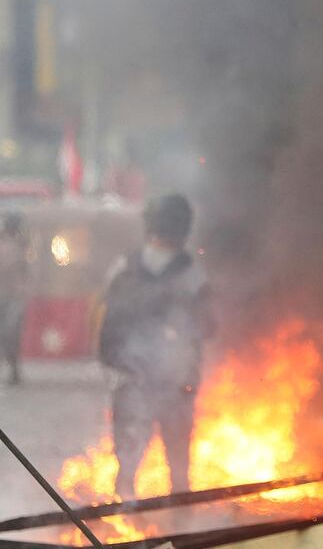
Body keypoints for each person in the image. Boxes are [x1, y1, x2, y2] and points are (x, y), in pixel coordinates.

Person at [99, 193, 214, 500]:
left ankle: (123, 528)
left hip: (132, 381)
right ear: (184, 229)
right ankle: (181, 530)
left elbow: (107, 327)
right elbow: (207, 328)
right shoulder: (193, 276)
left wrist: (115, 367)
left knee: (127, 465)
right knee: (177, 470)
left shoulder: (124, 268)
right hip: (176, 384)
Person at [0, 212, 29, 385]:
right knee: (10, 333)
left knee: (10, 332)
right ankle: (13, 368)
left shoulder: (19, 245)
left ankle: (14, 368)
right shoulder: (15, 246)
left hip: (13, 296)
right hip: (9, 295)